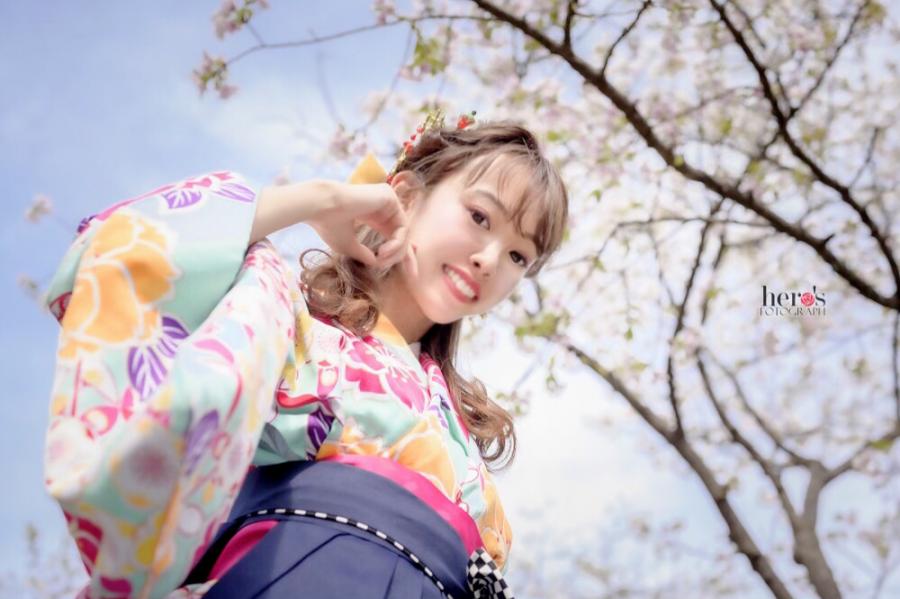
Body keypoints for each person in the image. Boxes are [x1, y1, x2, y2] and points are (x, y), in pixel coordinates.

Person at [42, 109, 569, 598]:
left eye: (518, 255)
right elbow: (132, 244)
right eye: (480, 217)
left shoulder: (459, 426)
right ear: (407, 197)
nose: (489, 260)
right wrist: (318, 200)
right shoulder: (285, 318)